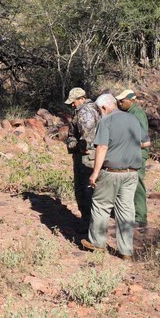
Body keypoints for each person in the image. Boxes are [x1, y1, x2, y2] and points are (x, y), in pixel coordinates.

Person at [81, 93, 150, 260]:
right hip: (131, 173)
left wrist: (95, 173)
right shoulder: (133, 119)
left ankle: (97, 243)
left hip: (111, 172)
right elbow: (146, 142)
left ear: (104, 107)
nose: (99, 113)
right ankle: (125, 251)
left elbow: (102, 147)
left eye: (99, 110)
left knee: (100, 205)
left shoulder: (106, 121)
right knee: (126, 210)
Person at [65, 87, 100, 230]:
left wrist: (78, 145)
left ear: (82, 99)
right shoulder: (95, 109)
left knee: (84, 189)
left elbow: (87, 140)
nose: (72, 105)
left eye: (74, 101)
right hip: (92, 155)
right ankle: (91, 223)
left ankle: (88, 224)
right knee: (89, 189)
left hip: (86, 157)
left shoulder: (85, 112)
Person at [115, 89, 149, 227]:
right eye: (119, 101)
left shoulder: (137, 114)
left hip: (137, 154)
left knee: (137, 184)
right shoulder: (129, 113)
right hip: (131, 153)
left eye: (122, 101)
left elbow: (141, 137)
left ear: (132, 100)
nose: (120, 103)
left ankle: (140, 217)